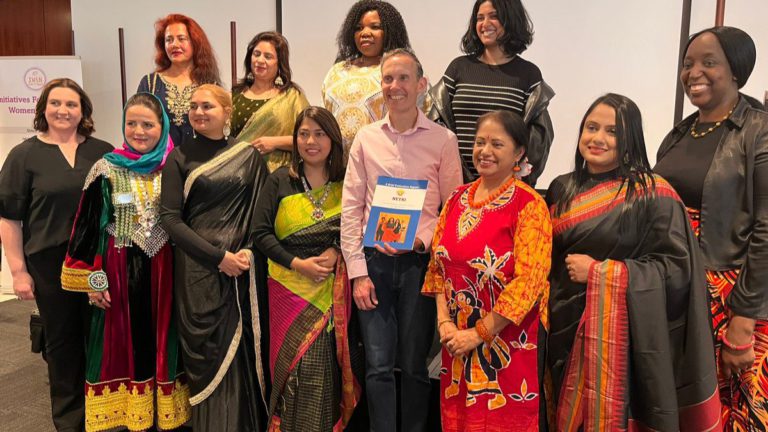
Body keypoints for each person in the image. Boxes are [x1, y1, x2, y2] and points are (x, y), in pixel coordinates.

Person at [547, 94, 721, 431]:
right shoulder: (560, 188)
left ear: (630, 141)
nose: (597, 138)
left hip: (625, 343)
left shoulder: (654, 195)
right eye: (591, 127)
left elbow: (678, 270)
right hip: (562, 328)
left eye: (612, 132)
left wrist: (601, 273)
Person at [341, 48, 462, 432]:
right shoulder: (365, 139)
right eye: (388, 79)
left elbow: (454, 210)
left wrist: (422, 242)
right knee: (377, 365)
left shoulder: (443, 140)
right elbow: (351, 210)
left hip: (419, 267)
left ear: (421, 85)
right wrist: (358, 273)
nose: (395, 86)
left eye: (404, 78)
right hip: (373, 264)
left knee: (413, 365)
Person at [655, 26, 768, 430]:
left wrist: (744, 320)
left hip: (733, 303)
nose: (693, 73)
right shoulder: (678, 134)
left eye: (708, 63)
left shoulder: (759, 130)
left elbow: (766, 231)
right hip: (677, 298)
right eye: (687, 64)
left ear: (736, 71)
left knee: (736, 414)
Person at [60, 93, 189, 431]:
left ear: (162, 127)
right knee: (123, 344)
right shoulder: (106, 168)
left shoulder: (174, 166)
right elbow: (87, 231)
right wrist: (94, 283)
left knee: (166, 341)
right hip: (118, 274)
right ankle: (131, 416)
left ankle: (164, 416)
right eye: (131, 123)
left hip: (167, 271)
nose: (139, 131)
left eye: (147, 124)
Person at [422, 110, 551, 431]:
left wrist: (477, 334)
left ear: (519, 153)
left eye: (497, 144)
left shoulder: (530, 205)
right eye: (480, 142)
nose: (485, 151)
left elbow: (528, 284)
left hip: (508, 342)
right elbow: (437, 268)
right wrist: (444, 325)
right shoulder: (455, 199)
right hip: (456, 341)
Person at [0, 78, 113, 431]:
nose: (63, 110)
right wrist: (18, 271)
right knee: (63, 343)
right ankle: (70, 420)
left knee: (101, 338)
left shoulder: (103, 151)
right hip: (50, 265)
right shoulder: (24, 155)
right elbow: (9, 218)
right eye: (56, 103)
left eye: (72, 104)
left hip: (99, 262)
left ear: (84, 111)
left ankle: (105, 415)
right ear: (43, 109)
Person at [160, 84, 269, 432]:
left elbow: (261, 214)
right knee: (206, 355)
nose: (199, 112)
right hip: (198, 270)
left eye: (207, 106)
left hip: (241, 269)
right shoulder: (178, 158)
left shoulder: (248, 156)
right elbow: (170, 219)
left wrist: (247, 253)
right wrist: (217, 257)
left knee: (240, 355)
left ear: (226, 111)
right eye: (193, 106)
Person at [252, 106, 360, 431]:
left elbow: (360, 226)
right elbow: (260, 233)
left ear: (333, 140)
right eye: (303, 133)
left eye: (319, 133)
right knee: (291, 370)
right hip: (287, 290)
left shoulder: (347, 181)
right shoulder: (280, 181)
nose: (310, 141)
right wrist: (297, 264)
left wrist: (336, 250)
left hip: (330, 293)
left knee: (323, 371)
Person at [429, 0, 554, 186]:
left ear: (511, 19)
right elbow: (435, 125)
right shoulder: (458, 68)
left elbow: (539, 138)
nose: (485, 24)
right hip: (454, 185)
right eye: (480, 18)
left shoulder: (528, 74)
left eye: (494, 16)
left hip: (505, 187)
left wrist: (516, 179)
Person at [322, 0, 429, 158]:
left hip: (386, 162)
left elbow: (420, 117)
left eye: (375, 27)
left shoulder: (402, 69)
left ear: (390, 31)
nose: (365, 33)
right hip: (338, 167)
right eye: (358, 28)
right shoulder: (336, 71)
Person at [138, 13, 221, 146]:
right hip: (160, 162)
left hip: (201, 161)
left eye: (181, 39)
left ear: (195, 42)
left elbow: (217, 128)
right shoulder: (150, 83)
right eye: (169, 40)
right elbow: (139, 125)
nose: (174, 45)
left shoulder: (210, 83)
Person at [232, 31, 309, 172]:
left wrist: (275, 142)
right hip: (238, 175)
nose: (260, 60)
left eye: (268, 57)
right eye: (256, 54)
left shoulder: (291, 97)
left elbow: (309, 138)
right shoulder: (235, 96)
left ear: (279, 63)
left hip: (277, 176)